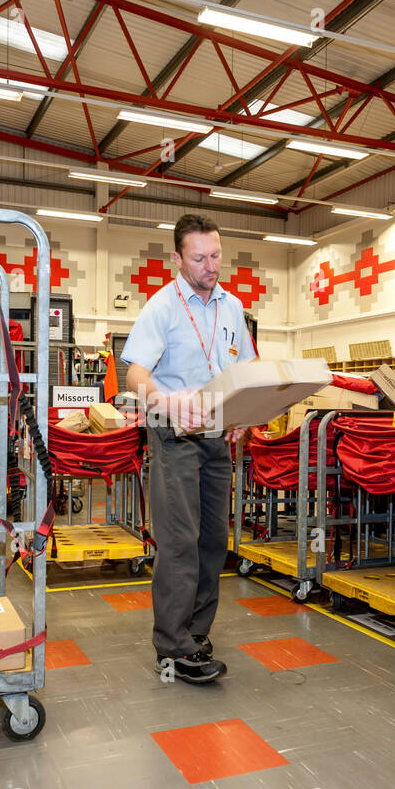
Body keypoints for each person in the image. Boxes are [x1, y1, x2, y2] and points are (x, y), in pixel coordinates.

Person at [121, 214, 257, 685]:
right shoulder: (162, 307)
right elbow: (135, 373)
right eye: (199, 258)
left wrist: (243, 415)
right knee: (179, 540)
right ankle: (173, 647)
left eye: (216, 255)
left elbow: (247, 370)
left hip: (218, 435)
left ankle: (197, 633)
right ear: (178, 258)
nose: (210, 266)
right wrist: (166, 399)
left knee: (213, 541)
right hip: (173, 434)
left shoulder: (233, 308)